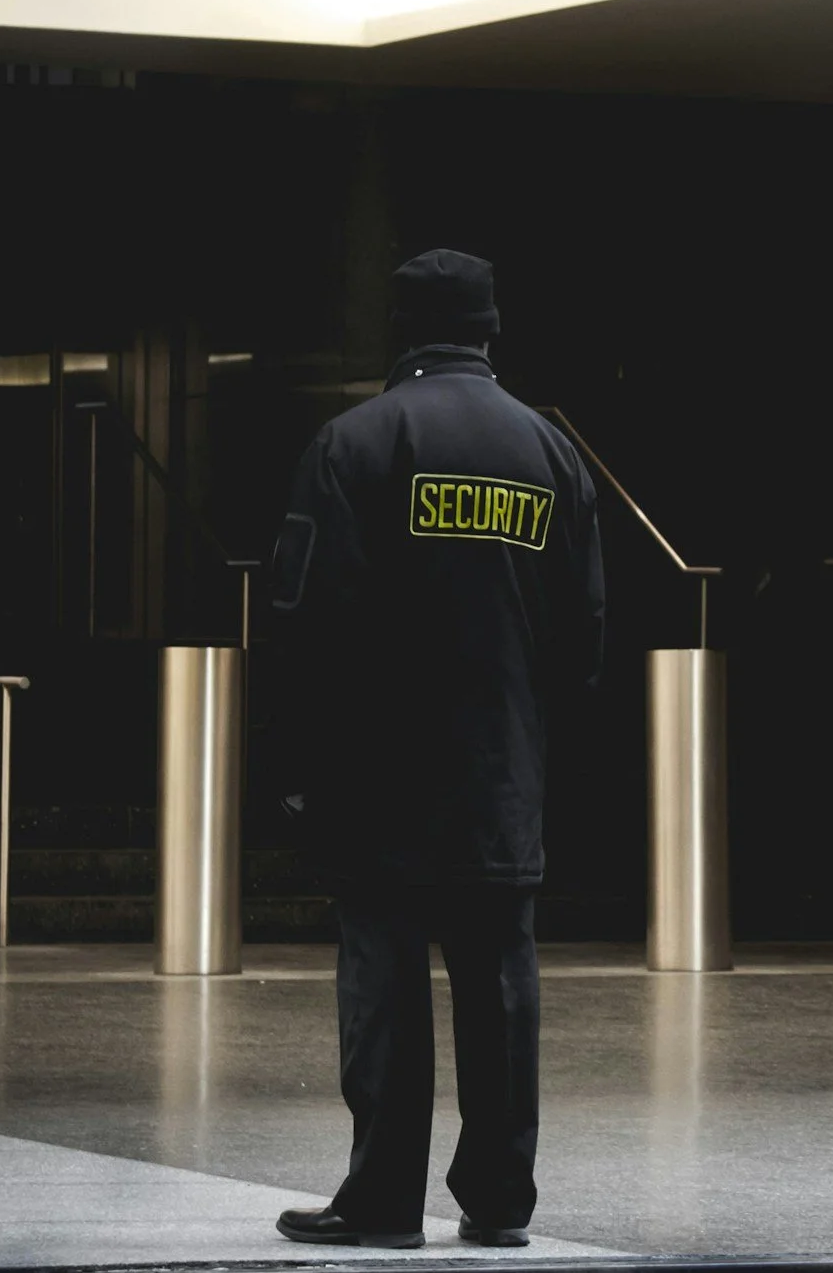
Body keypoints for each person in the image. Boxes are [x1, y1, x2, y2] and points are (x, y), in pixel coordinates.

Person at [269, 249, 605, 1251]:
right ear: (491, 327)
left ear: (402, 329)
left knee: (384, 983)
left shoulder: (354, 442)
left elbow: (307, 624)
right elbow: (582, 639)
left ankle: (381, 1199)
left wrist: (299, 769)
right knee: (501, 982)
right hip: (501, 772)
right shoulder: (552, 451)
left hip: (379, 779)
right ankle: (499, 1199)